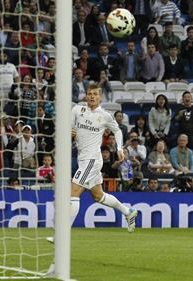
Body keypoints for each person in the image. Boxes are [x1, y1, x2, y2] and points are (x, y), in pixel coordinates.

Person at [47, 84, 138, 243]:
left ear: (100, 96)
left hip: (92, 160)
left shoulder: (105, 115)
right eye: (89, 93)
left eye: (95, 94)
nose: (92, 96)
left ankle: (61, 236)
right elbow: (66, 126)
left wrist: (119, 149)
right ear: (86, 95)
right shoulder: (77, 110)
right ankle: (128, 211)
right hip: (83, 158)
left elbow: (117, 130)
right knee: (98, 196)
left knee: (73, 192)